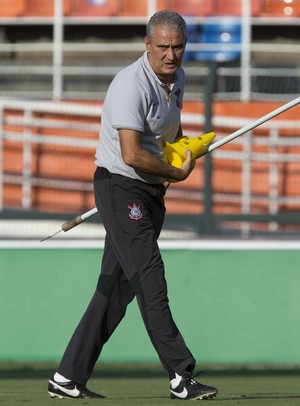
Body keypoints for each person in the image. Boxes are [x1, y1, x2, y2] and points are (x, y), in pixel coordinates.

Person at [48, 10, 218, 401]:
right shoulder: (130, 84)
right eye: (162, 47)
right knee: (149, 274)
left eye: (178, 47)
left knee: (116, 287)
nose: (170, 56)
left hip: (150, 190)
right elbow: (131, 155)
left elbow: (163, 138)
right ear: (147, 45)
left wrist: (183, 150)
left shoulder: (178, 80)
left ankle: (67, 377)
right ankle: (181, 374)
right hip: (121, 187)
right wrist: (176, 174)